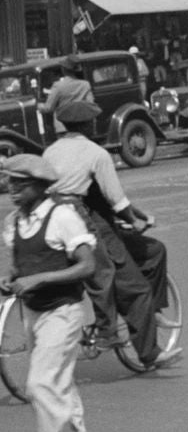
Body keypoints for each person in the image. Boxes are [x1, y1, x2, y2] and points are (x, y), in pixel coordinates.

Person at [42, 99, 173, 371]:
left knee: (120, 265)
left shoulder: (51, 152)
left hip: (52, 214)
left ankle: (139, 319)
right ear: (88, 124)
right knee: (108, 275)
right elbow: (117, 200)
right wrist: (134, 221)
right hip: (81, 216)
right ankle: (110, 333)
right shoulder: (95, 153)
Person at [1, 155, 98, 432]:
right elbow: (20, 267)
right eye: (10, 183)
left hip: (64, 311)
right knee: (61, 383)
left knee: (41, 383)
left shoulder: (63, 218)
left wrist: (41, 278)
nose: (12, 190)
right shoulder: (14, 223)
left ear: (40, 187)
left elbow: (87, 266)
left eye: (20, 185)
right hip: (34, 313)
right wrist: (13, 279)